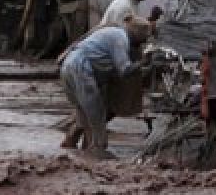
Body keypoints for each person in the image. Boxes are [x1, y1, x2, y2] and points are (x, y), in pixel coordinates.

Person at [59, 17, 152, 159]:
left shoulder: (115, 33)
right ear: (136, 35)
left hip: (69, 65)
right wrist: (143, 63)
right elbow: (124, 69)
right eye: (143, 39)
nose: (143, 43)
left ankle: (79, 151)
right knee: (96, 115)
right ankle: (98, 150)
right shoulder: (121, 39)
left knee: (84, 115)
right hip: (80, 68)